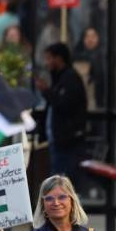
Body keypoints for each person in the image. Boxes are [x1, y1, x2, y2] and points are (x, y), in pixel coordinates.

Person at [36, 42, 87, 181]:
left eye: (49, 58)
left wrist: (46, 91)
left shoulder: (70, 79)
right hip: (57, 141)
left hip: (68, 142)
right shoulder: (58, 78)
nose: (46, 63)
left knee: (63, 180)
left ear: (58, 58)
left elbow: (64, 105)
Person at [20, 175, 103, 231]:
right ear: (43, 204)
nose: (56, 203)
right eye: (49, 199)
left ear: (72, 201)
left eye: (62, 197)